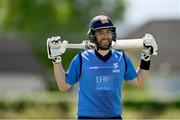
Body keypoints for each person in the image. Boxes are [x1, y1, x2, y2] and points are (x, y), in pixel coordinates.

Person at [46, 15, 158, 119]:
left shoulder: (122, 58)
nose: (105, 36)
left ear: (113, 34)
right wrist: (56, 60)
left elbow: (138, 82)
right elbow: (63, 86)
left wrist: (146, 57)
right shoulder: (81, 59)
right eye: (100, 32)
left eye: (108, 31)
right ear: (93, 36)